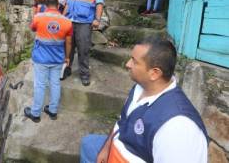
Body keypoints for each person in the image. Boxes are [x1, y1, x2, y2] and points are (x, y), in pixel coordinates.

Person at [80, 37, 208, 163]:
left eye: (134, 62)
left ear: (154, 73)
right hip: (117, 148)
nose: (127, 64)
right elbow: (122, 121)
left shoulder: (178, 128)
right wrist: (107, 147)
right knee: (89, 144)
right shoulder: (140, 87)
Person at [24, 0, 73, 123]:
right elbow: (68, 43)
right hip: (57, 59)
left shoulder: (39, 17)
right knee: (55, 84)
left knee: (40, 85)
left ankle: (35, 114)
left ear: (46, 5)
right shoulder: (67, 22)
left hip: (41, 58)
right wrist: (67, 58)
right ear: (58, 6)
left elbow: (33, 28)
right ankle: (53, 111)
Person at [62, 0, 104, 86]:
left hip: (84, 23)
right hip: (70, 22)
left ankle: (84, 74)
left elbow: (99, 3)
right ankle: (66, 70)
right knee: (67, 49)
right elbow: (68, 4)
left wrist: (97, 19)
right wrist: (63, 18)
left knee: (83, 49)